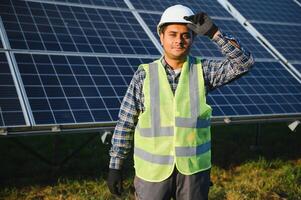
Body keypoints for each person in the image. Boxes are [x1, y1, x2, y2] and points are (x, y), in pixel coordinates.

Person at [107, 4, 254, 200]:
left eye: (185, 35)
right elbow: (125, 122)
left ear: (193, 38)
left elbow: (244, 63)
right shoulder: (144, 75)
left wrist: (214, 33)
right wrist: (115, 165)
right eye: (172, 34)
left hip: (193, 170)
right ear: (161, 36)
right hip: (152, 173)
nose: (179, 40)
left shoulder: (203, 71)